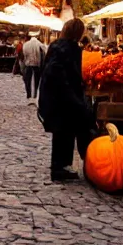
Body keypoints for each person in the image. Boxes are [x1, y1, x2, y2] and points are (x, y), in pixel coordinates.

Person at [38, 18, 91, 181]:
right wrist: (76, 96)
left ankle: (59, 166)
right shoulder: (72, 49)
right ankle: (60, 168)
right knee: (67, 132)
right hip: (65, 98)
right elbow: (68, 74)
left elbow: (48, 71)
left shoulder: (55, 46)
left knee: (60, 133)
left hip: (53, 97)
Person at [22, 31, 45, 104]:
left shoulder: (25, 44)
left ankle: (29, 96)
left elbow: (24, 56)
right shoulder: (40, 44)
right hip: (37, 65)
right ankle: (34, 96)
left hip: (28, 65)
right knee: (36, 81)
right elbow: (44, 54)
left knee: (28, 81)